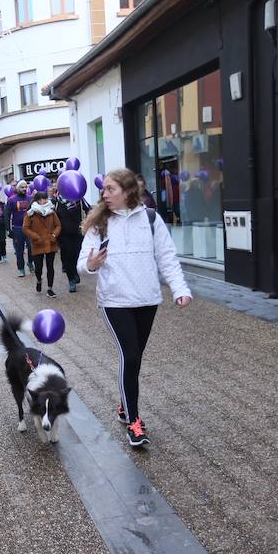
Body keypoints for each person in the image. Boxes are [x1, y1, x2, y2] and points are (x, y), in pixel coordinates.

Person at [77, 168, 192, 448]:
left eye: (110, 189)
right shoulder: (98, 224)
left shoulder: (151, 219)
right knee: (129, 355)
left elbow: (166, 257)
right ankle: (134, 422)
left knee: (135, 358)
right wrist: (91, 265)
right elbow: (82, 264)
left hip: (147, 300)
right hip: (115, 302)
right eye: (103, 189)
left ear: (128, 191)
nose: (104, 194)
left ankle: (123, 405)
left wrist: (180, 288)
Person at [22, 190, 61, 298]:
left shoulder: (51, 211)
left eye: (45, 198)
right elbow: (25, 228)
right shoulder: (31, 213)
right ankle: (39, 280)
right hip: (37, 243)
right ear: (37, 200)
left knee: (50, 266)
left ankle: (50, 288)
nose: (43, 201)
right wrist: (36, 237)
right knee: (38, 268)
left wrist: (54, 235)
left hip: (50, 242)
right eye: (41, 199)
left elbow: (58, 225)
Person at [56, 192, 91, 292]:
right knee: (67, 258)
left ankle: (75, 272)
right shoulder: (57, 201)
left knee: (77, 255)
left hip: (78, 233)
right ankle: (71, 280)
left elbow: (89, 210)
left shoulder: (79, 199)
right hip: (63, 235)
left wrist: (86, 223)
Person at [6, 179, 34, 277]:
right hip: (17, 228)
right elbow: (7, 215)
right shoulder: (12, 200)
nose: (24, 189)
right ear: (18, 188)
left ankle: (30, 262)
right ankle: (21, 269)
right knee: (19, 250)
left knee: (31, 247)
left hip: (29, 227)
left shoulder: (30, 199)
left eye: (26, 187)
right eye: (22, 187)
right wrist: (9, 229)